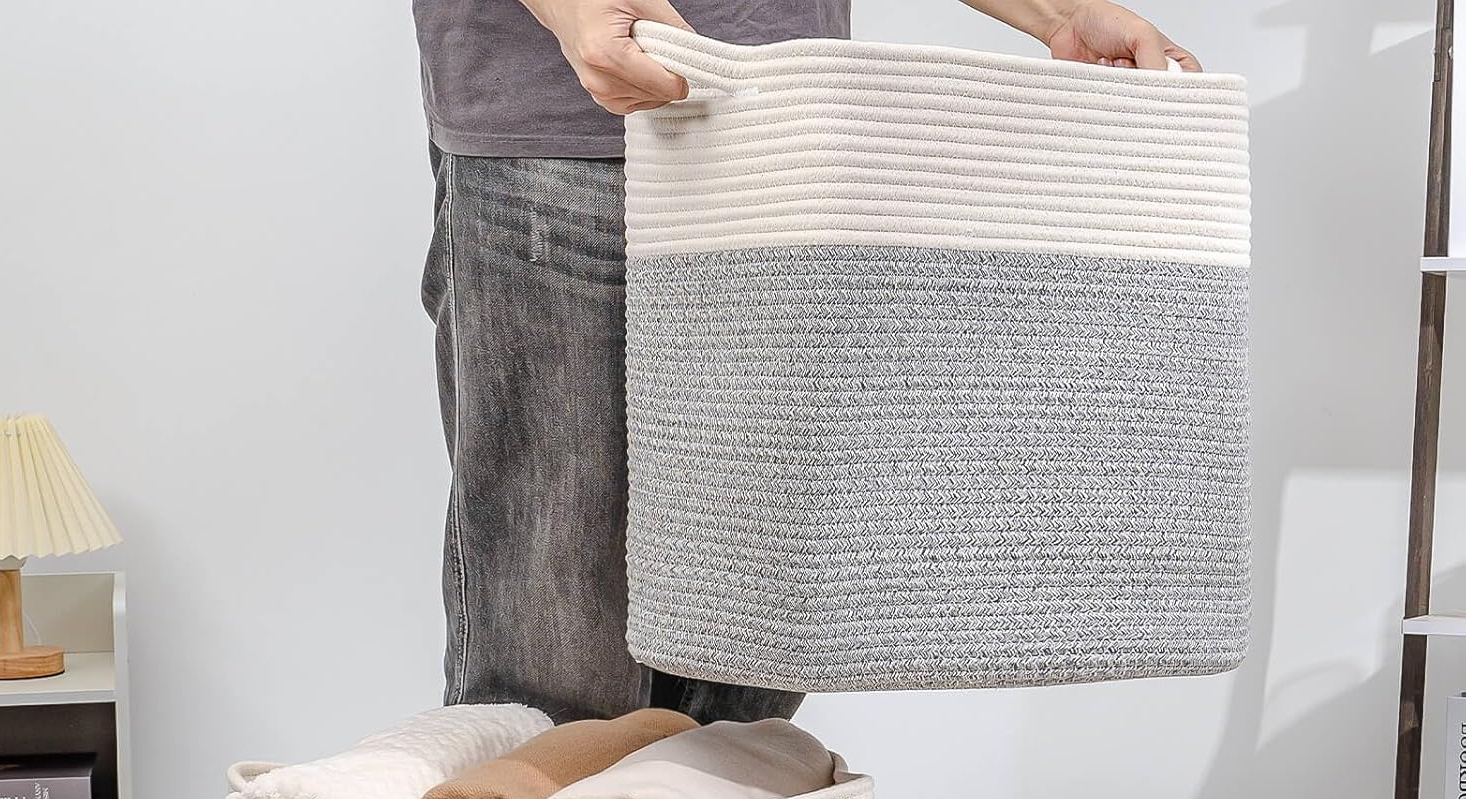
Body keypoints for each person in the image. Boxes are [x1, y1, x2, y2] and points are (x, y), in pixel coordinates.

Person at [414, 0, 1200, 724]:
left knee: (745, 700)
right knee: (548, 687)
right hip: (558, 127)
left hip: (785, 139)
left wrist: (1060, 14)